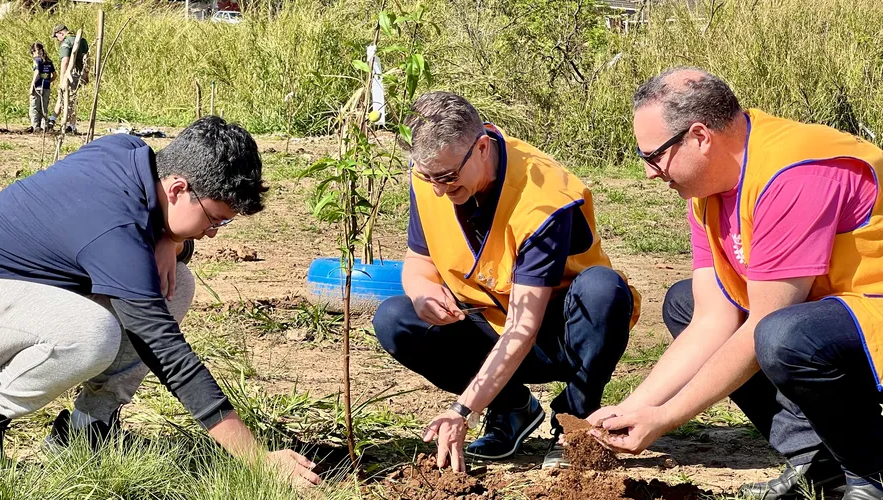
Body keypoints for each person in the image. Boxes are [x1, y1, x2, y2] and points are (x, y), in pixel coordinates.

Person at [0, 116, 321, 487]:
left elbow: (142, 232)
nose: (212, 233)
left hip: (7, 302)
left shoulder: (130, 153)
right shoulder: (115, 227)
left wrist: (169, 237)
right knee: (92, 333)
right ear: (178, 188)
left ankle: (86, 429)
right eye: (215, 220)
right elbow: (167, 352)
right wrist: (255, 458)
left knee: (176, 284)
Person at [589, 67, 883, 500]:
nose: (649, 172)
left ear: (700, 137)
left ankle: (871, 471)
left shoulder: (794, 173)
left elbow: (766, 320)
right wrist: (634, 408)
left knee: (782, 334)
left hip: (870, 312)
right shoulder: (707, 189)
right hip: (828, 309)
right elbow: (713, 319)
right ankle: (818, 465)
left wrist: (667, 418)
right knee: (686, 303)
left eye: (654, 156)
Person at [372, 91, 640, 472]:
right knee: (395, 318)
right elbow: (418, 259)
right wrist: (421, 290)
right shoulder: (431, 172)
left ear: (481, 148)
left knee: (603, 291)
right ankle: (511, 408)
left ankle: (576, 423)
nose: (438, 189)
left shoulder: (542, 198)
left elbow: (523, 327)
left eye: (447, 177)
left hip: (560, 334)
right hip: (488, 324)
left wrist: (462, 410)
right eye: (428, 176)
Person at [50, 24, 89, 134]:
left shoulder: (66, 42)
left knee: (67, 98)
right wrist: (86, 74)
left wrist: (62, 80)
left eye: (56, 36)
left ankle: (69, 125)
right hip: (80, 73)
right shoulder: (82, 41)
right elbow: (87, 58)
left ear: (60, 33)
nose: (57, 39)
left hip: (71, 74)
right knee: (70, 98)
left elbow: (65, 62)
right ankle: (54, 120)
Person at [27, 42, 56, 133]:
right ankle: (44, 127)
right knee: (44, 108)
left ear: (34, 52)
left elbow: (37, 72)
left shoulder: (37, 60)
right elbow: (55, 75)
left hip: (37, 87)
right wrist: (48, 81)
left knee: (34, 107)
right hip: (46, 88)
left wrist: (32, 85)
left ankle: (35, 126)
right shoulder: (49, 61)